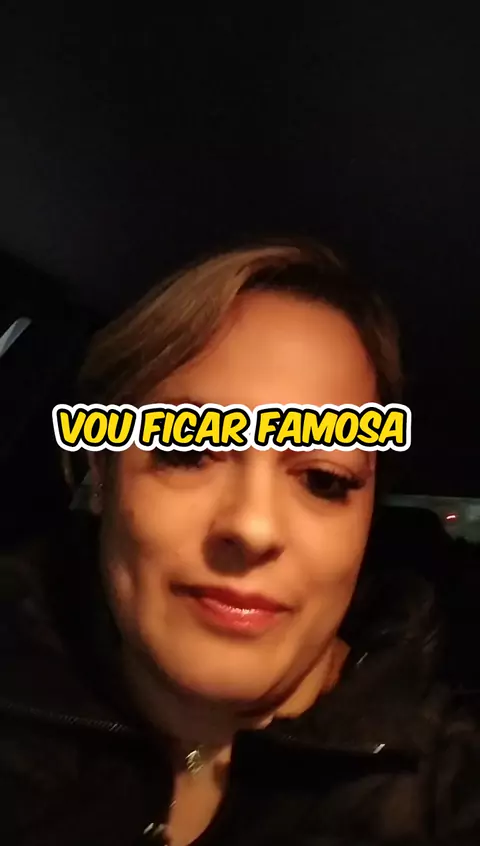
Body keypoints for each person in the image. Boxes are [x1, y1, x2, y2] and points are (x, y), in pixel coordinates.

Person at [0, 240, 479, 846]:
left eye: (324, 479)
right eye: (186, 451)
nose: (253, 527)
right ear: (100, 473)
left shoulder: (449, 791)